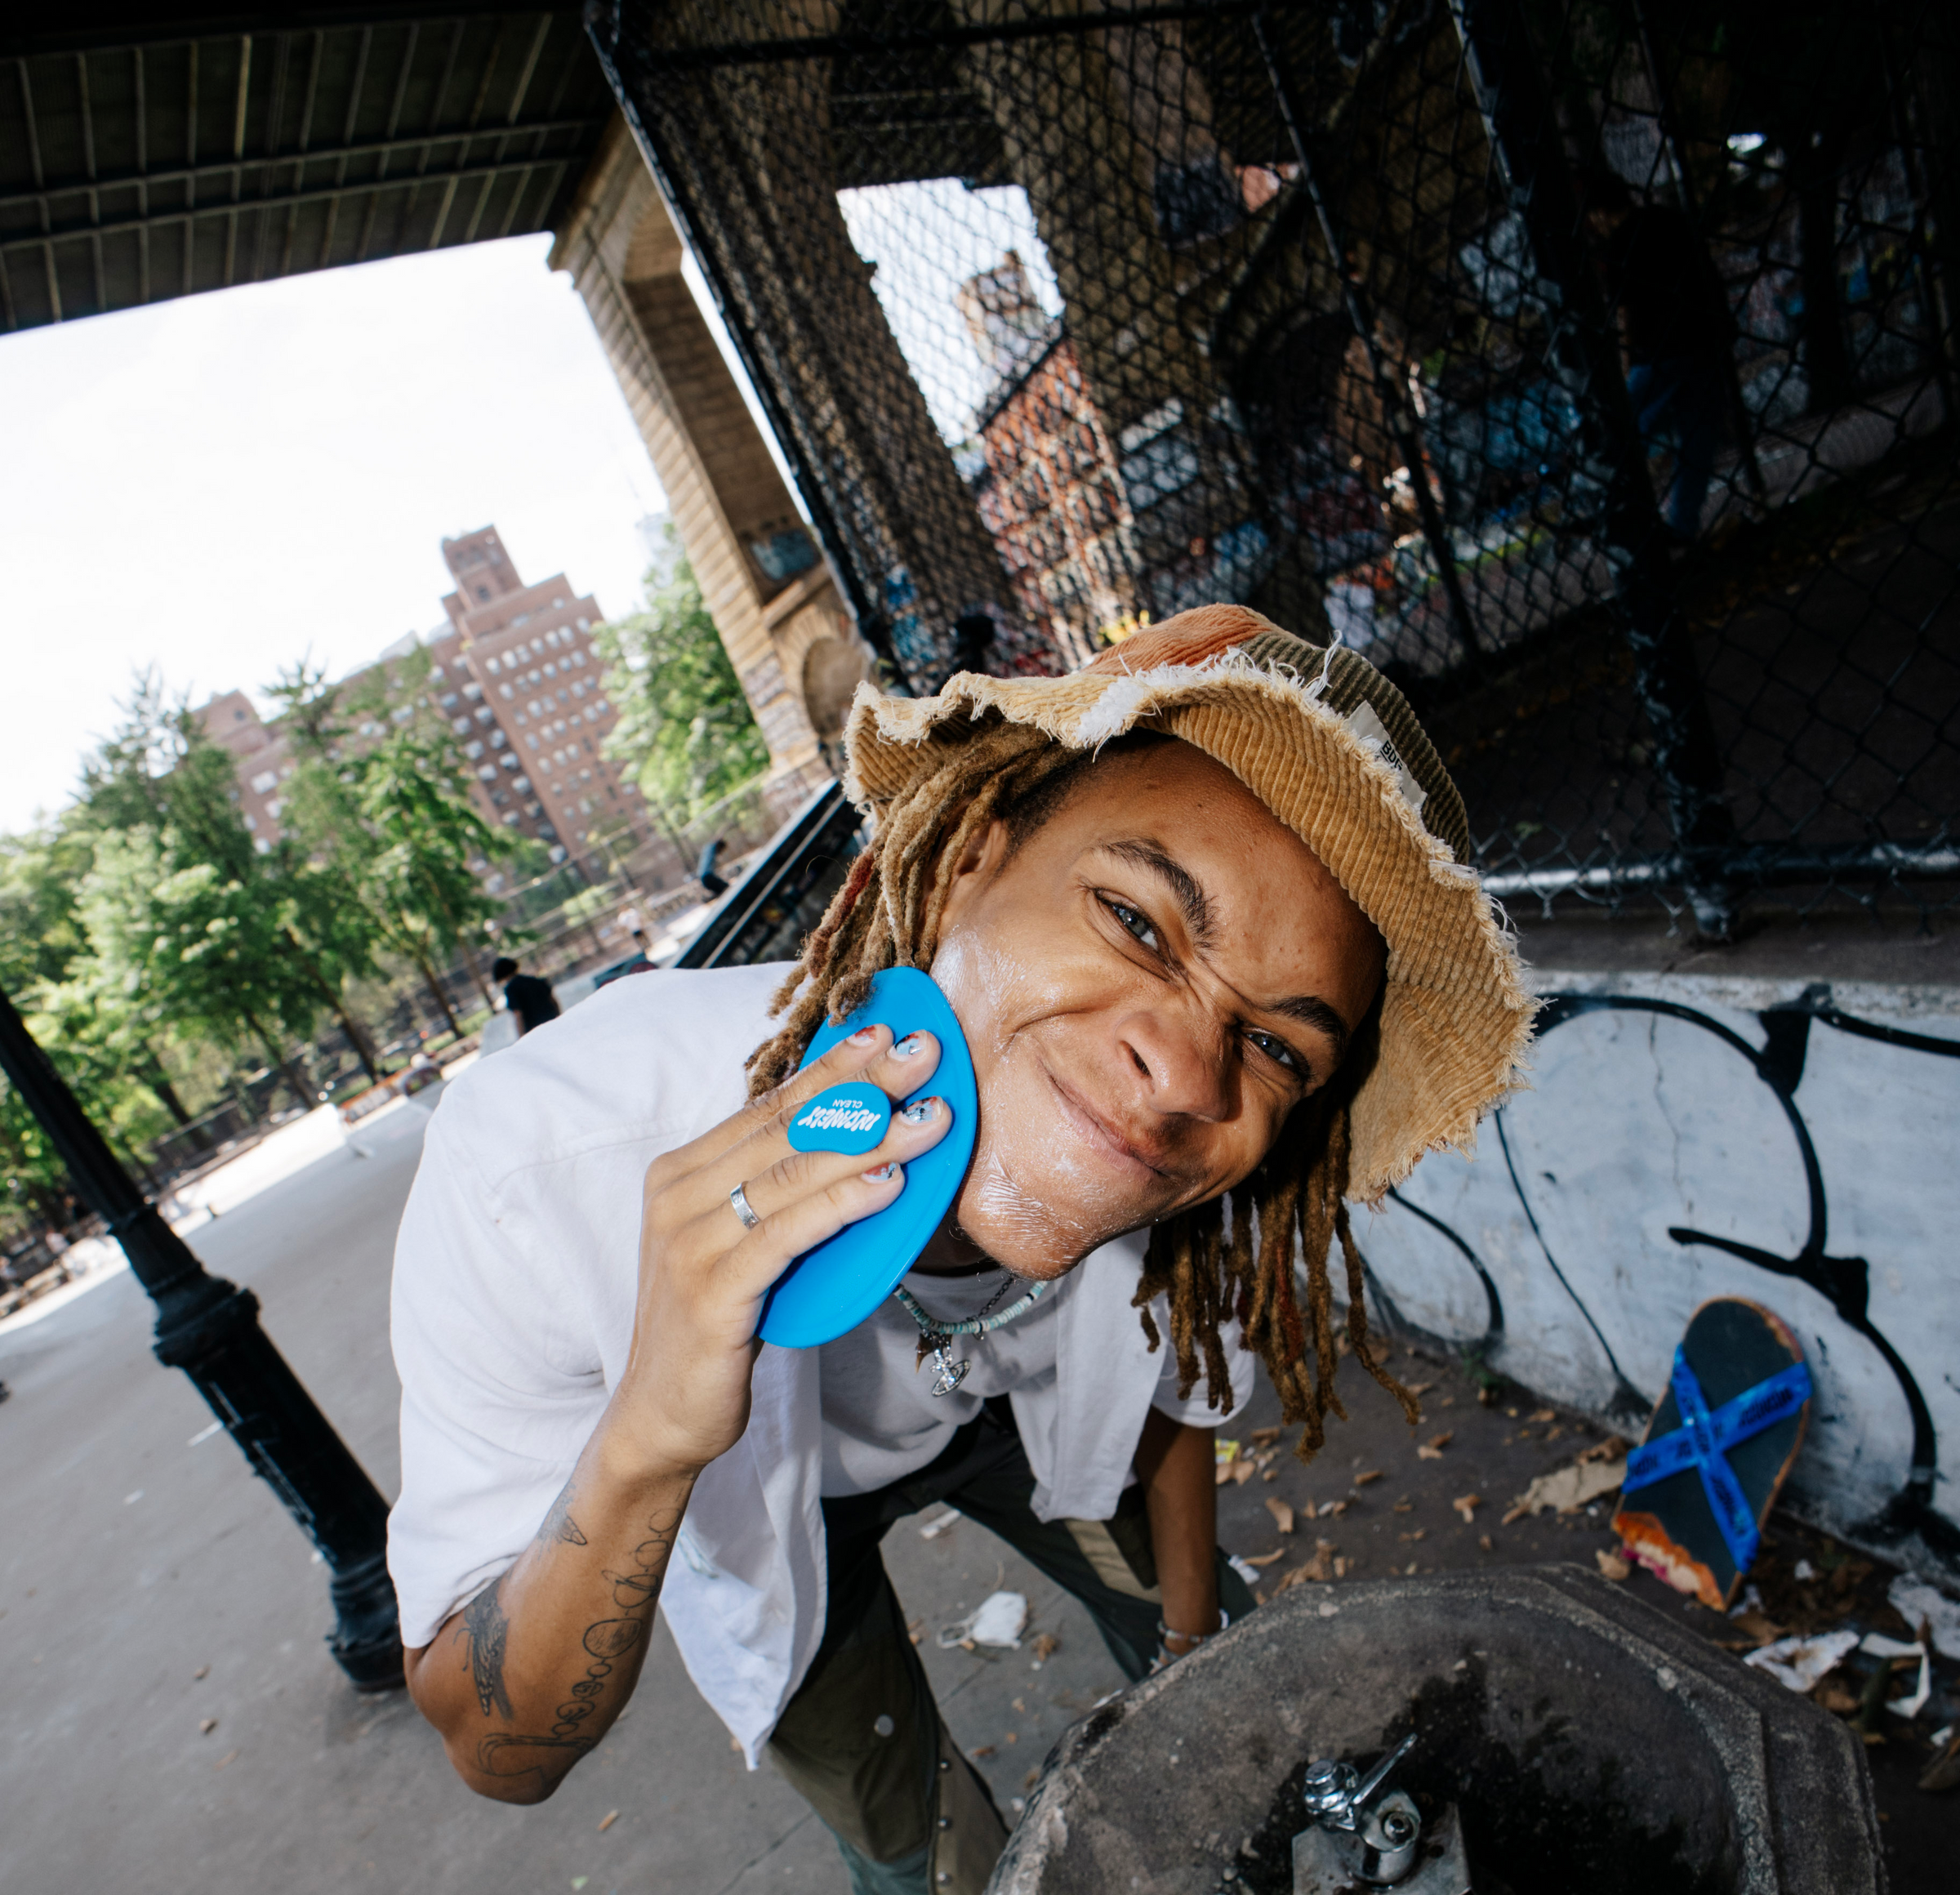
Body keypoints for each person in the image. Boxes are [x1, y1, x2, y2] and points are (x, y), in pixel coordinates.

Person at [390, 605, 1532, 1894]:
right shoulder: (543, 1165)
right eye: (1139, 923)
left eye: (1275, 1046)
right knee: (932, 1857)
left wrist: (1199, 1660)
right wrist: (650, 1430)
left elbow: (1163, 1401)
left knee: (1244, 1677)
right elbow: (497, 1748)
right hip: (757, 1508)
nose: (1181, 1074)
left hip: (996, 1417)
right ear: (968, 865)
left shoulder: (1194, 1180)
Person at [1585, 169, 1735, 543]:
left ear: (1599, 213)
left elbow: (1625, 312)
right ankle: (1681, 525)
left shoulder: (1618, 244)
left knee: (1624, 435)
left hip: (1657, 351)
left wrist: (1623, 368)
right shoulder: (1669, 220)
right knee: (1696, 438)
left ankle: (1615, 517)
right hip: (1701, 338)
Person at [492, 956, 560, 1037]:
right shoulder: (535, 980)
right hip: (552, 1022)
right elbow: (553, 1001)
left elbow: (518, 1014)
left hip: (535, 1031)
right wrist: (559, 1018)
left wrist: (521, 1038)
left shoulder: (511, 989)